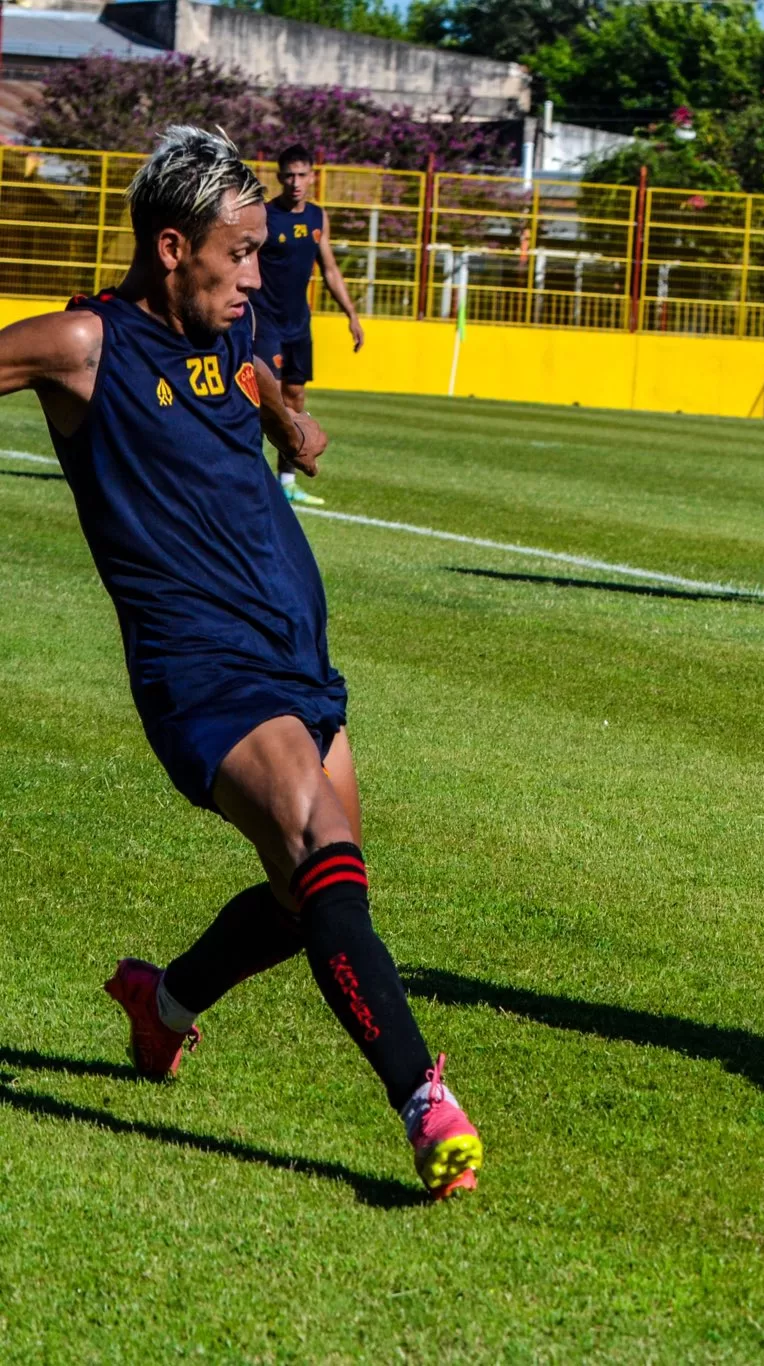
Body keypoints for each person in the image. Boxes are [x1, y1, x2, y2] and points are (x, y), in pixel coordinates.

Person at [0, 127, 481, 1197]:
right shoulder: (86, 345)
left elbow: (248, 372)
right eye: (242, 252)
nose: (260, 274)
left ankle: (162, 1003)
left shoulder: (228, 329)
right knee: (323, 856)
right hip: (203, 672)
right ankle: (422, 1101)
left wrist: (286, 422)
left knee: (305, 888)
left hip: (297, 656)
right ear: (173, 248)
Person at [247, 143, 365, 507]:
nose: (295, 182)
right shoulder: (264, 216)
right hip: (265, 321)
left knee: (296, 397)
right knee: (266, 397)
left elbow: (329, 268)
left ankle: (286, 481)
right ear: (279, 177)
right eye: (288, 176)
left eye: (302, 175)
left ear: (312, 177)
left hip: (299, 323)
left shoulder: (317, 217)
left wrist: (351, 314)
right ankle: (249, 476)